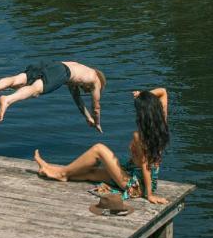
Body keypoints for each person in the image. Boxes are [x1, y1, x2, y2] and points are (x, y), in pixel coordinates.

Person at [33, 87, 169, 205]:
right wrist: (143, 96)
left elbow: (146, 167)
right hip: (138, 178)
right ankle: (50, 169)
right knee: (89, 173)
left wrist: (149, 195)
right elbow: (163, 92)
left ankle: (61, 173)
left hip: (135, 186)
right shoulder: (161, 126)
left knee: (99, 149)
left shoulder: (140, 137)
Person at [0, 60, 106, 130]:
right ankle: (8, 99)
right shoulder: (96, 80)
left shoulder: (79, 71)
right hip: (60, 71)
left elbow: (77, 99)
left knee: (18, 79)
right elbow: (96, 107)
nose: (86, 91)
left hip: (52, 63)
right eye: (87, 91)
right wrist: (97, 123)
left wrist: (88, 118)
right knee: (35, 90)